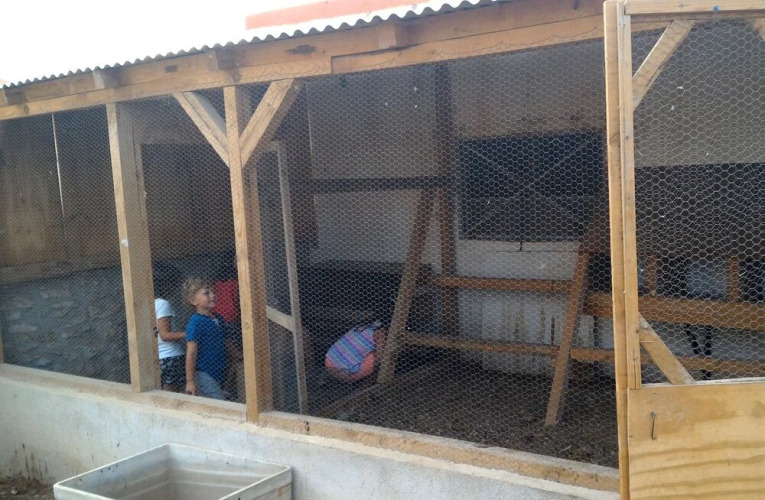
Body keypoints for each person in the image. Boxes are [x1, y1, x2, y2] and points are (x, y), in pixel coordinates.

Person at [183, 277, 226, 399]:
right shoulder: (196, 322)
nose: (212, 295)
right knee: (219, 402)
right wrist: (190, 381)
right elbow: (191, 353)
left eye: (213, 292)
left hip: (220, 371)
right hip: (204, 373)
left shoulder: (218, 318)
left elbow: (226, 341)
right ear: (193, 300)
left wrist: (237, 356)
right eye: (206, 293)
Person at [152, 263, 185, 392]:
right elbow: (165, 335)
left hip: (160, 356)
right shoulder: (163, 303)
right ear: (169, 285)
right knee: (173, 394)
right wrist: (190, 333)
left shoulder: (152, 303)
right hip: (171, 357)